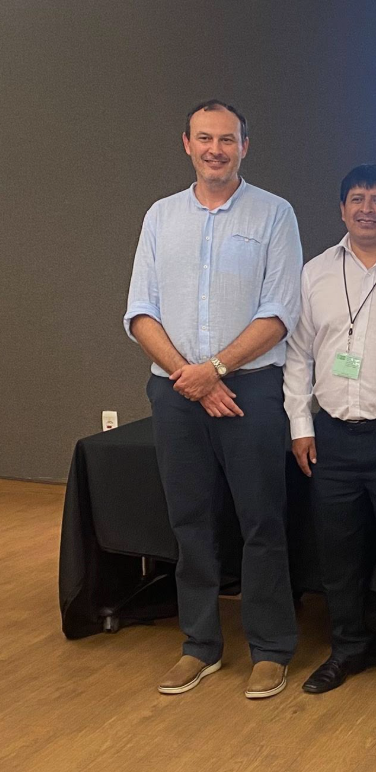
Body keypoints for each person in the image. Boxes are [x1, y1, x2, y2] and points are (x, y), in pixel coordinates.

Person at [124, 100, 302, 699]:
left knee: (262, 523)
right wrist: (191, 376)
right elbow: (139, 311)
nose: (215, 150)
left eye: (227, 140)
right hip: (177, 392)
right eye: (205, 139)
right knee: (190, 522)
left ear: (245, 146)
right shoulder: (159, 216)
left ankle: (272, 649)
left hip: (249, 388)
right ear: (186, 144)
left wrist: (218, 368)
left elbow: (280, 313)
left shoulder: (275, 214)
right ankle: (199, 645)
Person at [283, 164, 376, 701]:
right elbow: (299, 353)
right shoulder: (315, 272)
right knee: (338, 554)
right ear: (341, 209)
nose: (366, 208)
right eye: (356, 198)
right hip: (331, 438)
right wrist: (301, 427)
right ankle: (348, 647)